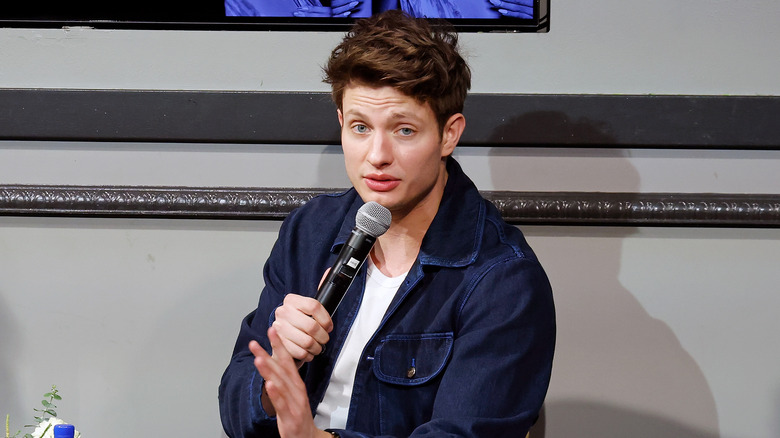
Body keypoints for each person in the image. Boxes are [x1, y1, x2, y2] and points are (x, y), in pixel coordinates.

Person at [218, 10, 555, 438]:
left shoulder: (504, 280)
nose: (377, 155)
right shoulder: (311, 229)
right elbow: (235, 402)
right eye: (360, 127)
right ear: (341, 123)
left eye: (404, 131)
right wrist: (278, 372)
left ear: (448, 135)